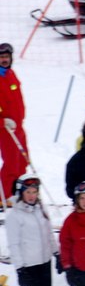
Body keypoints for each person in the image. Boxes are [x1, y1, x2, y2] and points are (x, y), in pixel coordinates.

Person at [5, 173, 56, 286]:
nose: (32, 196)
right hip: (29, 265)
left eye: (34, 192)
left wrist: (56, 253)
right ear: (21, 193)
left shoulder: (41, 209)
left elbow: (49, 234)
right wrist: (20, 268)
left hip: (45, 262)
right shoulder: (14, 216)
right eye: (28, 192)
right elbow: (14, 245)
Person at [0, 42, 28, 201]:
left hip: (18, 127)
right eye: (1, 57)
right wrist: (3, 122)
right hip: (5, 130)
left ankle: (21, 191)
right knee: (11, 163)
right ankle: (5, 195)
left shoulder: (11, 74)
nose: (4, 60)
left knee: (23, 160)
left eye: (6, 57)